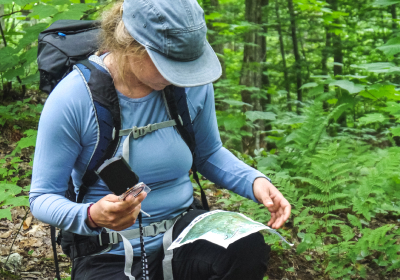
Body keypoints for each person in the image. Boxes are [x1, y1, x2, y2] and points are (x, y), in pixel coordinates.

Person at [29, 0, 291, 279]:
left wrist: (256, 182)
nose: (181, 76)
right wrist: (92, 215)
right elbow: (43, 197)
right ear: (131, 45)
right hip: (108, 251)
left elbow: (208, 154)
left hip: (184, 236)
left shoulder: (190, 85)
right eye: (169, 65)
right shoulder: (74, 98)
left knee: (246, 248)